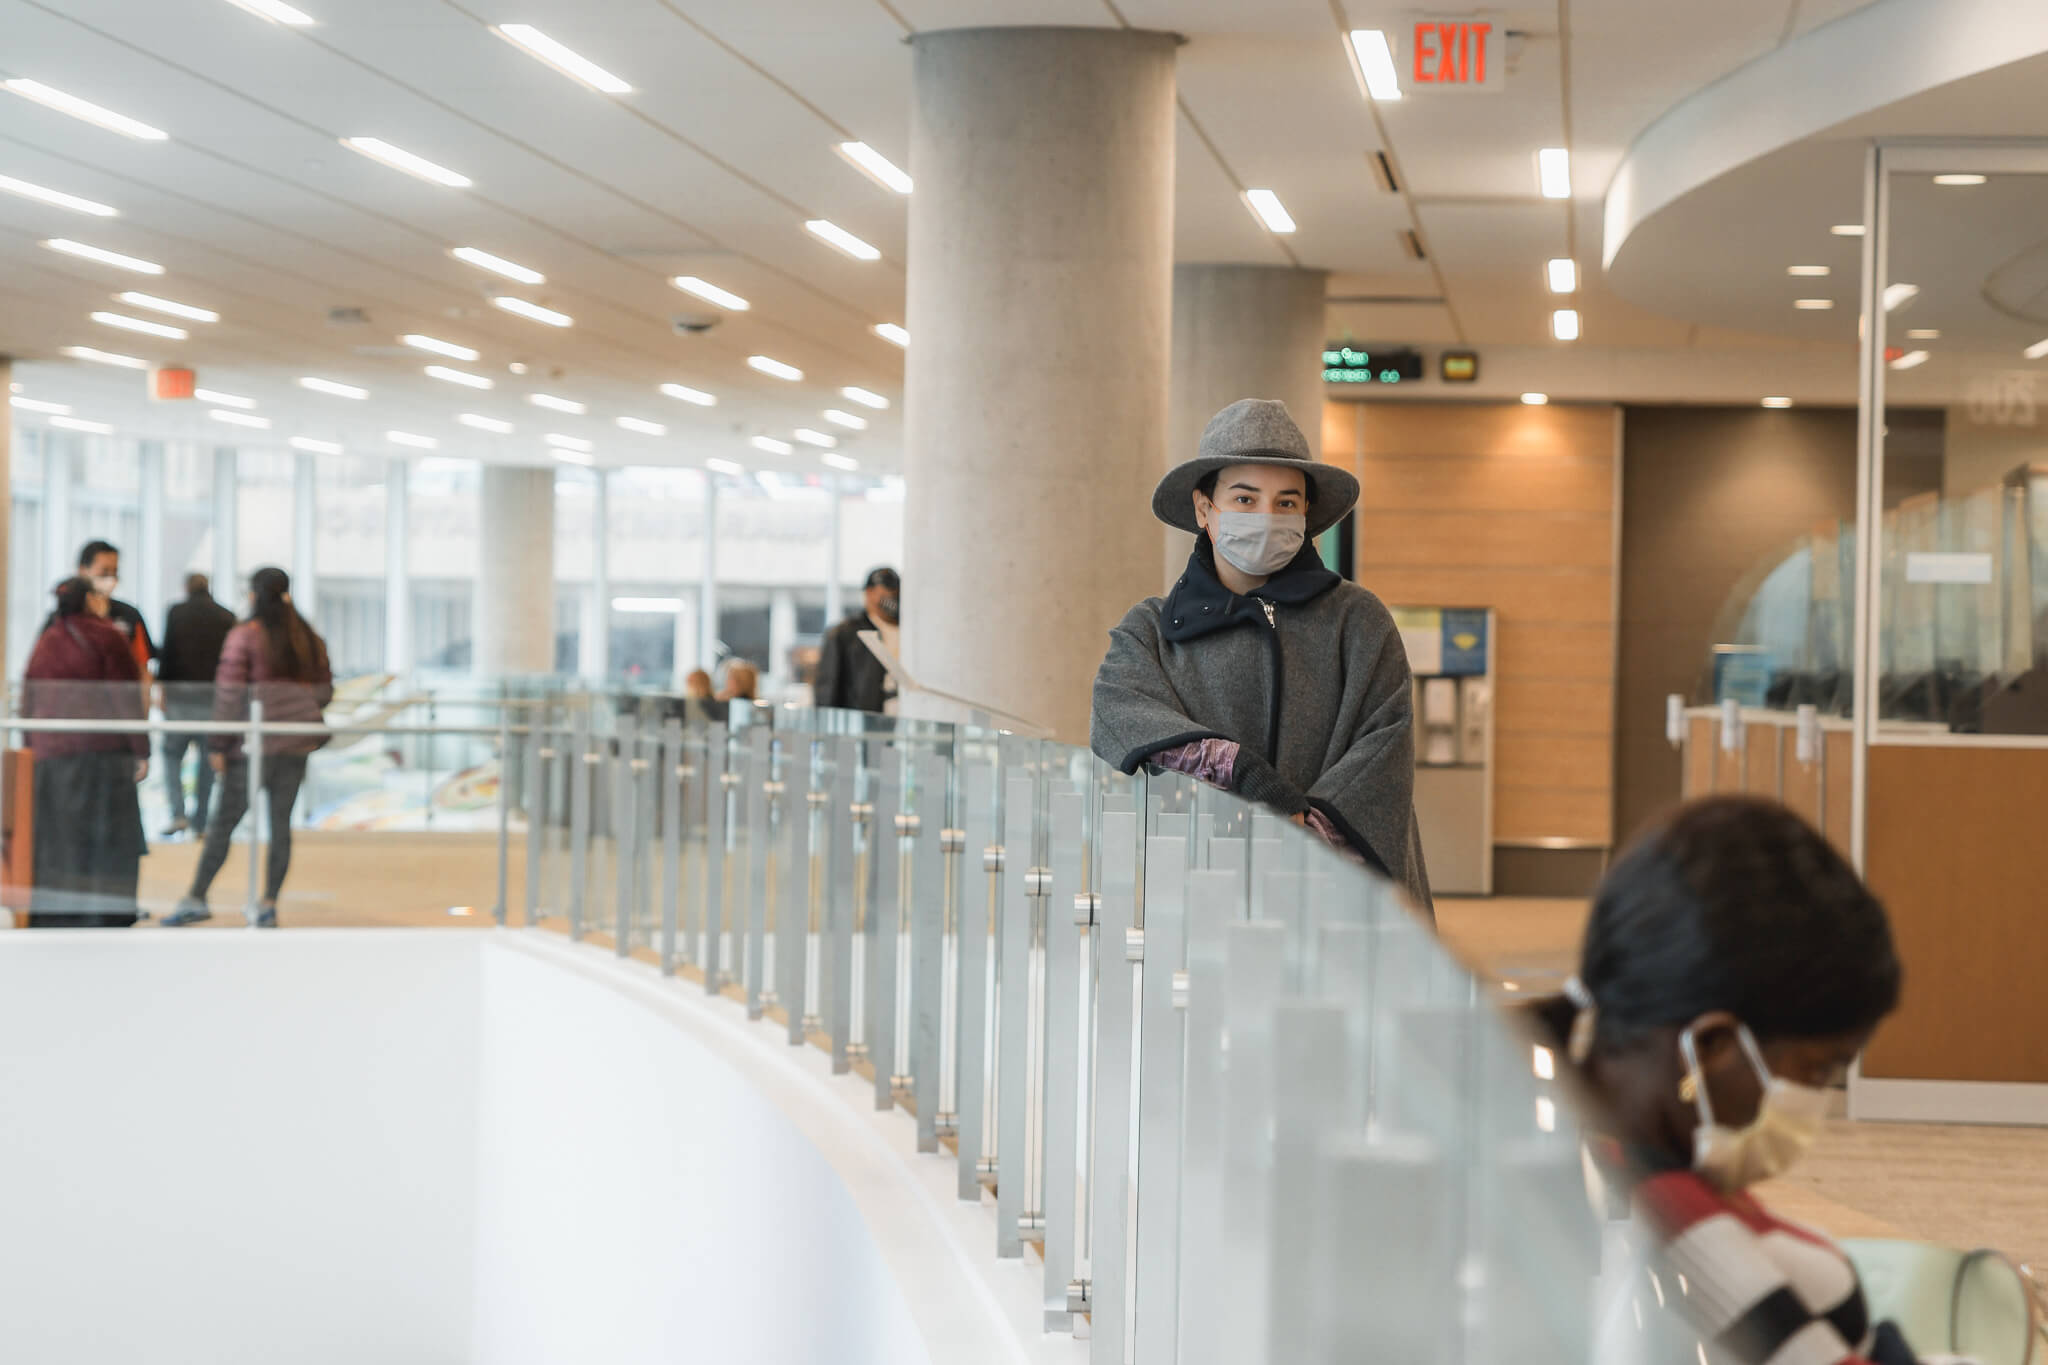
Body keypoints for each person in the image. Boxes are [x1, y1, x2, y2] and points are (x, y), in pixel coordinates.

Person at [1533, 797, 1914, 1365]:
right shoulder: (1679, 1231)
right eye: (1817, 1070)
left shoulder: (1547, 1129)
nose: (1815, 1102)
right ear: (1710, 1048)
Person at [1090, 398, 1431, 914]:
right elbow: (1122, 716)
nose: (1267, 517)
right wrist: (1244, 773)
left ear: (1306, 516)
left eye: (1286, 502)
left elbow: (1384, 750)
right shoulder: (1152, 630)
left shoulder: (1358, 620)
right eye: (1245, 500)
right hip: (1203, 899)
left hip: (1342, 901)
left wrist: (1303, 839)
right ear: (1205, 509)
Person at [164, 568, 334, 928]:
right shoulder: (307, 636)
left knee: (223, 823)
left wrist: (219, 743)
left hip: (250, 748)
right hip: (294, 744)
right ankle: (268, 903)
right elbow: (325, 691)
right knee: (280, 825)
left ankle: (197, 896)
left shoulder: (245, 635)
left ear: (254, 594)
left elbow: (229, 694)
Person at [20, 576, 149, 927]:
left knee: (59, 840)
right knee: (105, 840)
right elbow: (127, 698)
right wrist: (142, 750)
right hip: (101, 754)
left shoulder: (47, 639)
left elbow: (28, 698)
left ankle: (58, 915)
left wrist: (30, 748)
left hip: (51, 755)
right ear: (90, 599)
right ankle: (104, 915)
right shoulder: (107, 636)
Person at [155, 572, 237, 837]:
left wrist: (162, 688)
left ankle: (178, 813)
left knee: (171, 755)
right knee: (207, 760)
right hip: (213, 698)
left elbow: (167, 652)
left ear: (186, 588)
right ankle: (201, 822)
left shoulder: (176, 612)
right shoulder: (226, 616)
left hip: (179, 696)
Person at [814, 567, 900, 713]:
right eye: (884, 592)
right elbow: (828, 689)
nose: (891, 597)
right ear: (869, 593)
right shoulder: (844, 633)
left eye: (894, 592)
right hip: (862, 722)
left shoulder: (908, 631)